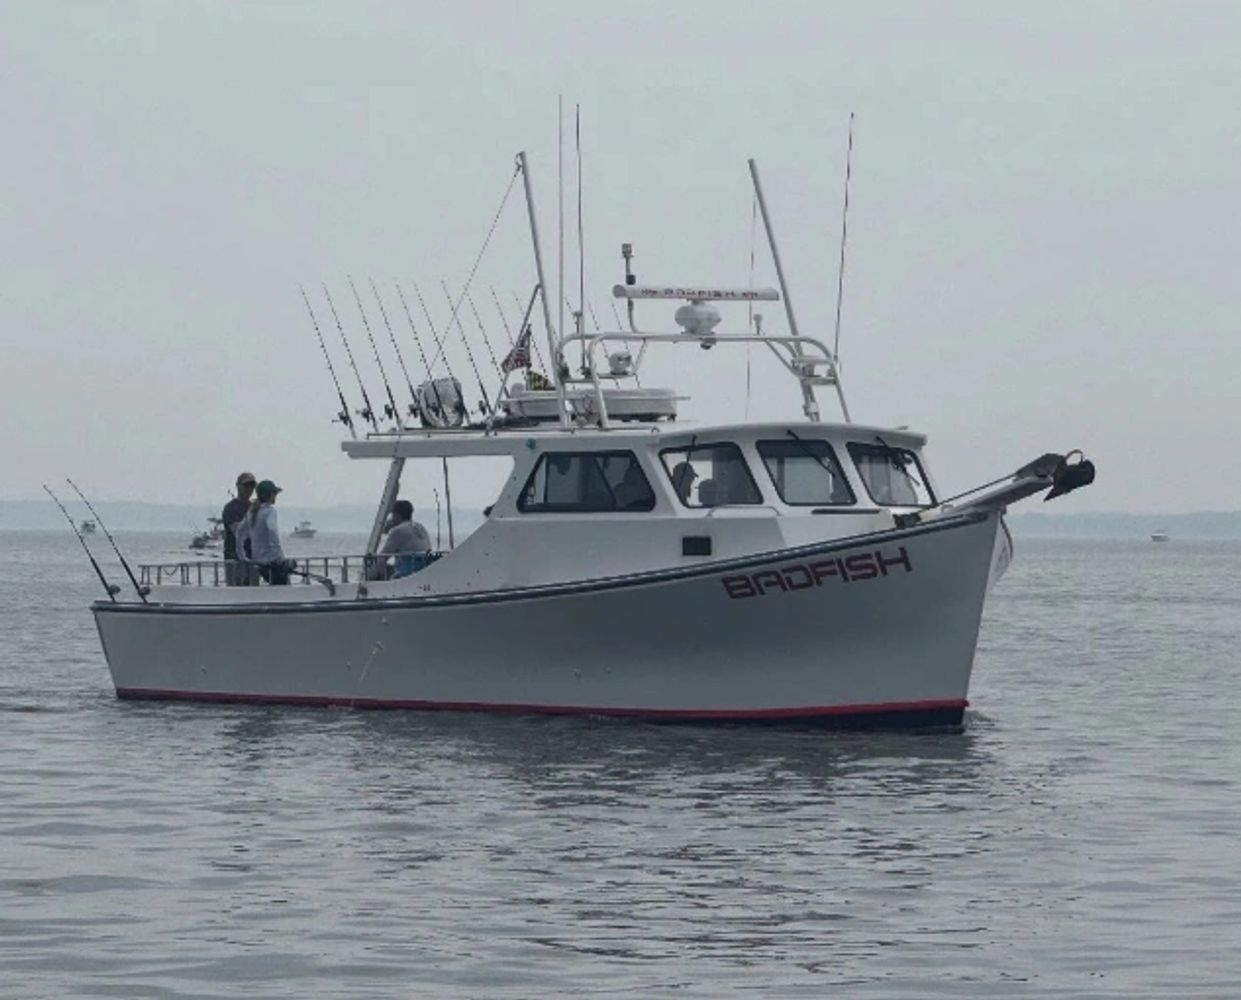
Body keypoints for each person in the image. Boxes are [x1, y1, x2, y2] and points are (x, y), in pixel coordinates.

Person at [249, 479, 293, 585]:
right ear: (270, 495)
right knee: (283, 587)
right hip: (271, 561)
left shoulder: (253, 512)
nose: (275, 496)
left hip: (258, 561)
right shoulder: (270, 511)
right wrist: (279, 557)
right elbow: (273, 532)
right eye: (274, 494)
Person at [376, 499, 431, 579]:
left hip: (409, 573)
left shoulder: (398, 531)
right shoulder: (420, 527)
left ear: (396, 515)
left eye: (392, 515)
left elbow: (382, 559)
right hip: (425, 570)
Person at [222, 472, 257, 585]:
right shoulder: (231, 508)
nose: (249, 489)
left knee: (255, 590)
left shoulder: (255, 508)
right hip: (235, 560)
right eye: (246, 485)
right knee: (237, 588)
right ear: (238, 486)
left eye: (252, 486)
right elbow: (238, 532)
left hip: (254, 559)